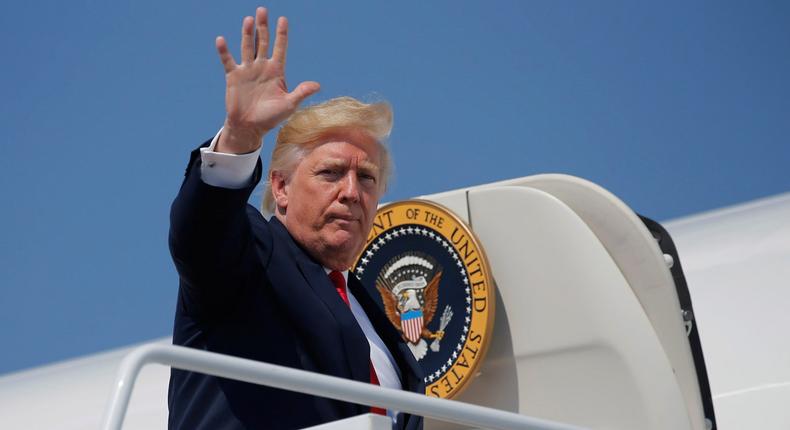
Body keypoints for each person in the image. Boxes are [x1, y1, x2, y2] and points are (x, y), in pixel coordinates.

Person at [167, 7, 424, 430]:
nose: (351, 192)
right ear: (281, 188)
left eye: (367, 178)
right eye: (331, 173)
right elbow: (201, 232)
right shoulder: (250, 256)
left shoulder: (375, 316)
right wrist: (240, 137)